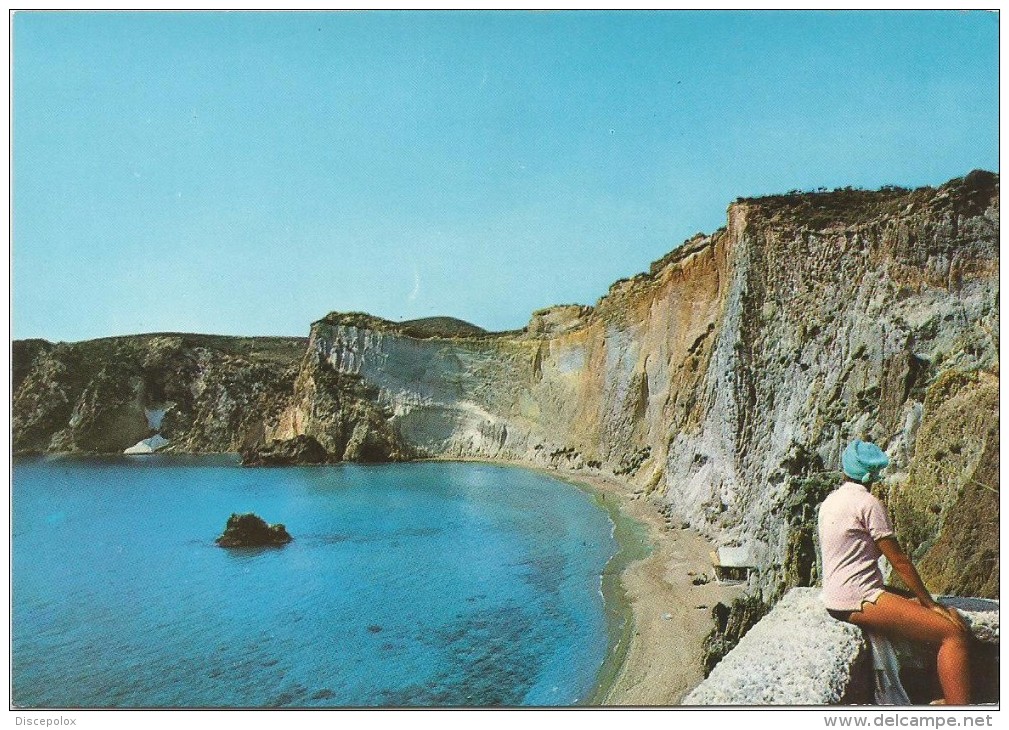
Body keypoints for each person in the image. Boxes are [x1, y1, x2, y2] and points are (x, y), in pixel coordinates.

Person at [818, 440, 971, 705]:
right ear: (872, 475)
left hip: (837, 595)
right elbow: (899, 561)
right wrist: (928, 602)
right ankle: (960, 709)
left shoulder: (831, 501)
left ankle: (944, 697)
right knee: (951, 633)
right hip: (859, 597)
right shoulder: (867, 503)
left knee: (948, 617)